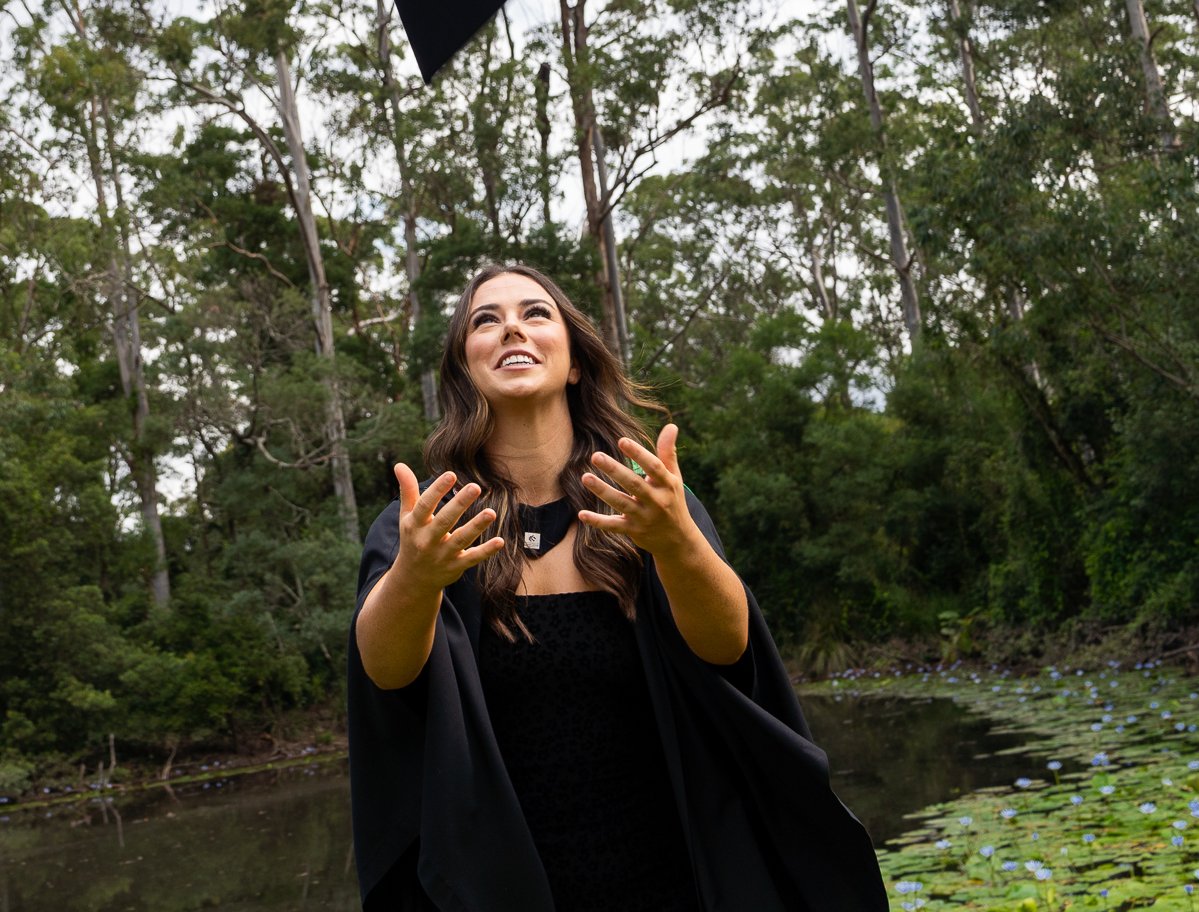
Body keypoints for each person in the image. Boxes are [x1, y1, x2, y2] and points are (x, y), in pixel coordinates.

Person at [347, 264, 888, 912]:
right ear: (465, 367)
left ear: (575, 360)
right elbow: (381, 665)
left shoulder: (650, 498)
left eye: (535, 312)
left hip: (675, 887)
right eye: (484, 320)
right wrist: (417, 574)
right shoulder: (427, 524)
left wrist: (676, 538)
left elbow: (729, 646)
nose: (510, 325)